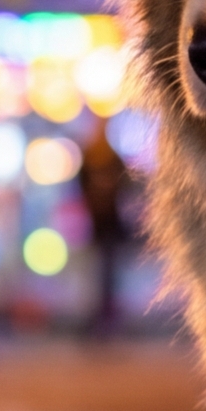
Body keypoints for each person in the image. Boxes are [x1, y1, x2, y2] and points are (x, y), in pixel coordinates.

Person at [78, 117, 133, 337]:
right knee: (97, 272)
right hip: (97, 225)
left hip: (112, 224)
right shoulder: (89, 157)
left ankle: (109, 316)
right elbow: (80, 187)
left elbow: (127, 185)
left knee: (110, 272)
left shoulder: (112, 158)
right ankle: (101, 315)